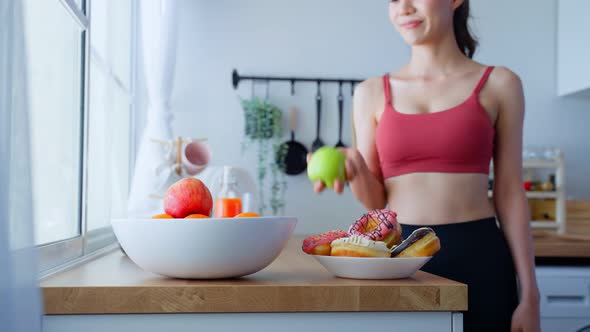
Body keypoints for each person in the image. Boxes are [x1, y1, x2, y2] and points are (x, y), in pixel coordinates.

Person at [311, 1, 540, 331]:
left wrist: (531, 295)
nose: (403, 7)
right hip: (401, 259)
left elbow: (509, 192)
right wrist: (354, 169)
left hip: (481, 257)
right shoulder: (370, 92)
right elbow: (376, 202)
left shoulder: (500, 84)